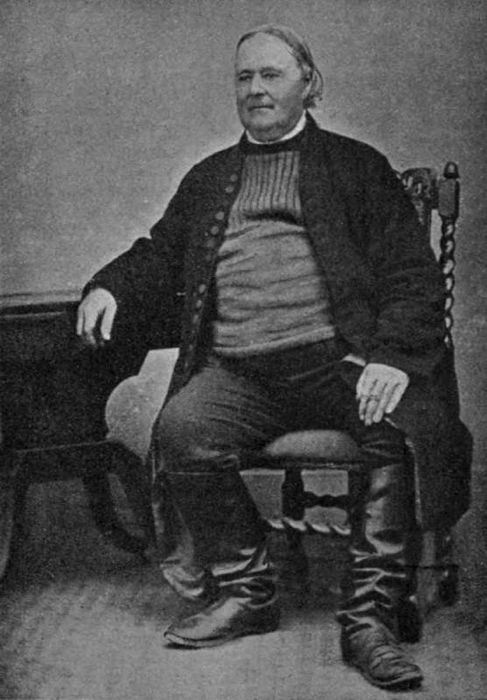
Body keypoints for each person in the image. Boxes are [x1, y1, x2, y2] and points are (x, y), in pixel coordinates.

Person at [77, 25, 471, 692]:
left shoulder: (356, 167)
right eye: (244, 77)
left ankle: (369, 620)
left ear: (308, 84)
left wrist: (391, 358)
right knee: (182, 430)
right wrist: (109, 286)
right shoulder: (207, 178)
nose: (256, 89)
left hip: (337, 363)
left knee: (393, 427)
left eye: (271, 75)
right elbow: (159, 252)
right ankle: (247, 591)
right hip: (239, 371)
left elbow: (412, 275)